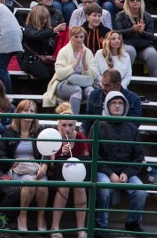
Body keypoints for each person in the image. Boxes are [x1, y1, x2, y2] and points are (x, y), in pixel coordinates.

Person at [92, 91, 147, 236]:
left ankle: (132, 223)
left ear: (125, 106)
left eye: (120, 103)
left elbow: (138, 155)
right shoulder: (98, 125)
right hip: (104, 171)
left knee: (140, 191)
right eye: (113, 103)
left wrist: (126, 173)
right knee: (103, 189)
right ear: (107, 106)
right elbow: (94, 155)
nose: (117, 106)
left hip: (126, 171)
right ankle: (100, 225)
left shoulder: (132, 128)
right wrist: (109, 173)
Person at [0, 99, 48, 234]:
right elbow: (0, 154)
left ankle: (41, 217)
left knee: (43, 186)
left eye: (32, 111)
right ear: (18, 112)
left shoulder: (40, 130)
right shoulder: (9, 130)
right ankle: (22, 215)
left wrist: (44, 166)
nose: (29, 113)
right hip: (17, 168)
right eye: (25, 110)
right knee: (30, 184)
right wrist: (11, 162)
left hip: (36, 168)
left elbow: (48, 151)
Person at [49, 102, 91, 238]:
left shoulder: (81, 137)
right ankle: (55, 227)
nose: (67, 129)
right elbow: (51, 164)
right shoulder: (55, 138)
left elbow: (86, 160)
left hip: (78, 174)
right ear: (59, 126)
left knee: (80, 187)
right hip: (58, 174)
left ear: (75, 125)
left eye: (70, 125)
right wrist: (61, 155)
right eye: (64, 125)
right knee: (64, 187)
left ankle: (81, 229)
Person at [44, 26, 99, 113]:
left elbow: (93, 75)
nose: (79, 39)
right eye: (76, 37)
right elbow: (59, 74)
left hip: (82, 84)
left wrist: (84, 63)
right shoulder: (63, 51)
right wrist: (75, 64)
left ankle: (91, 121)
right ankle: (73, 121)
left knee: (91, 91)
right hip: (62, 83)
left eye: (81, 37)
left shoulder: (88, 52)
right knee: (77, 90)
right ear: (70, 37)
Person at [21, 5, 60, 81]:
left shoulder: (46, 29)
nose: (44, 21)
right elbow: (38, 36)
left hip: (43, 59)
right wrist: (54, 30)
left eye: (46, 18)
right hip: (30, 60)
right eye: (42, 18)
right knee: (45, 74)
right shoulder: (28, 29)